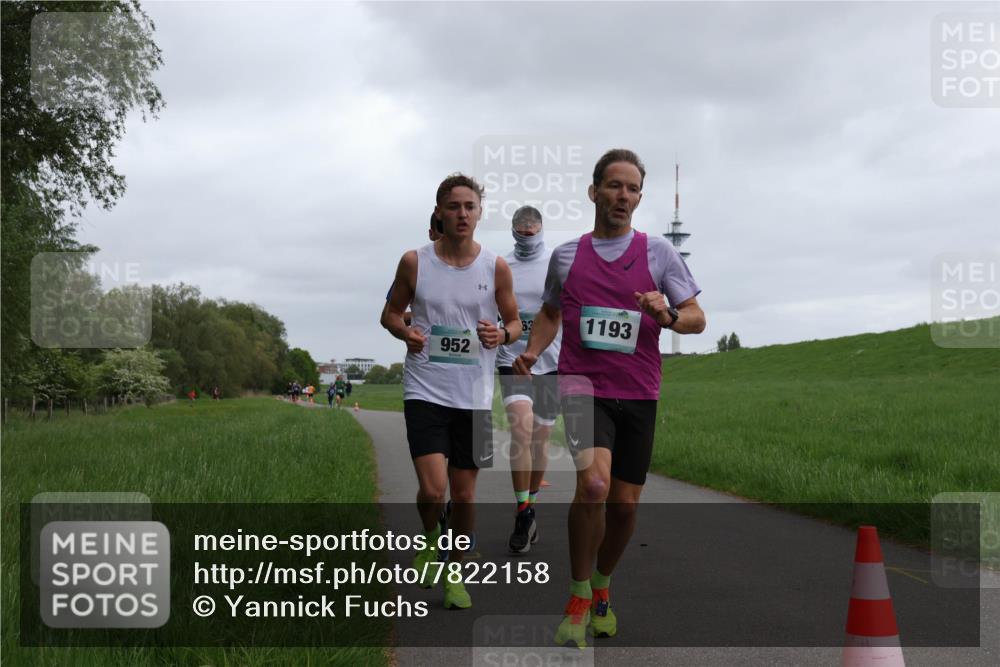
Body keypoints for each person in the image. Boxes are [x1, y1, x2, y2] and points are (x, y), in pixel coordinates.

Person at [514, 149, 705, 647]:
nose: (624, 196)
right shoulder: (566, 255)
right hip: (581, 385)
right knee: (594, 487)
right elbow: (552, 312)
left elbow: (696, 319)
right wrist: (534, 352)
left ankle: (602, 583)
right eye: (615, 185)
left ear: (640, 197)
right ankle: (578, 596)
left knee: (623, 506)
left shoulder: (659, 253)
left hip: (639, 390)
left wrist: (664, 314)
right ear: (594, 190)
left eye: (633, 189)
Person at [382, 173, 522, 610]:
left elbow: (516, 324)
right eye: (454, 206)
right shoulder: (414, 262)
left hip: (475, 396)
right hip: (425, 388)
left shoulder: (495, 267)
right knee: (432, 489)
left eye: (470, 206)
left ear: (479, 213)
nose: (462, 214)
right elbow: (389, 314)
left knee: (463, 495)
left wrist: (501, 335)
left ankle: (455, 572)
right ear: (439, 212)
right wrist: (406, 334)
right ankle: (430, 539)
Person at [495, 205, 562, 554]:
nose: (525, 240)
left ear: (541, 231)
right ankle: (523, 512)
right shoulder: (502, 266)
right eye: (519, 235)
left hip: (552, 362)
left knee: (540, 438)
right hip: (513, 360)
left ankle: (531, 502)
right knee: (521, 429)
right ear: (512, 232)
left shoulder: (557, 263)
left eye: (531, 234)